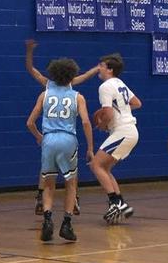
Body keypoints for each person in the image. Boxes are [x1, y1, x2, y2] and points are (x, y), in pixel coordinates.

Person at [25, 39, 98, 216]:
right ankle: (73, 203)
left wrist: (29, 51)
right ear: (71, 74)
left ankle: (42, 200)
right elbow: (85, 77)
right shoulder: (74, 93)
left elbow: (31, 69)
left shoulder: (47, 87)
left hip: (49, 137)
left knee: (47, 173)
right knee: (71, 177)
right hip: (67, 137)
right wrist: (97, 68)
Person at [89, 53, 142, 224]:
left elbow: (109, 113)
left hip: (123, 131)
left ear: (110, 70)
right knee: (105, 168)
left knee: (96, 164)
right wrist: (123, 110)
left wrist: (103, 125)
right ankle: (122, 205)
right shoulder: (120, 83)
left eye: (102, 65)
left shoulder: (105, 86)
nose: (99, 68)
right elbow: (137, 103)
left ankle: (114, 203)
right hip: (130, 131)